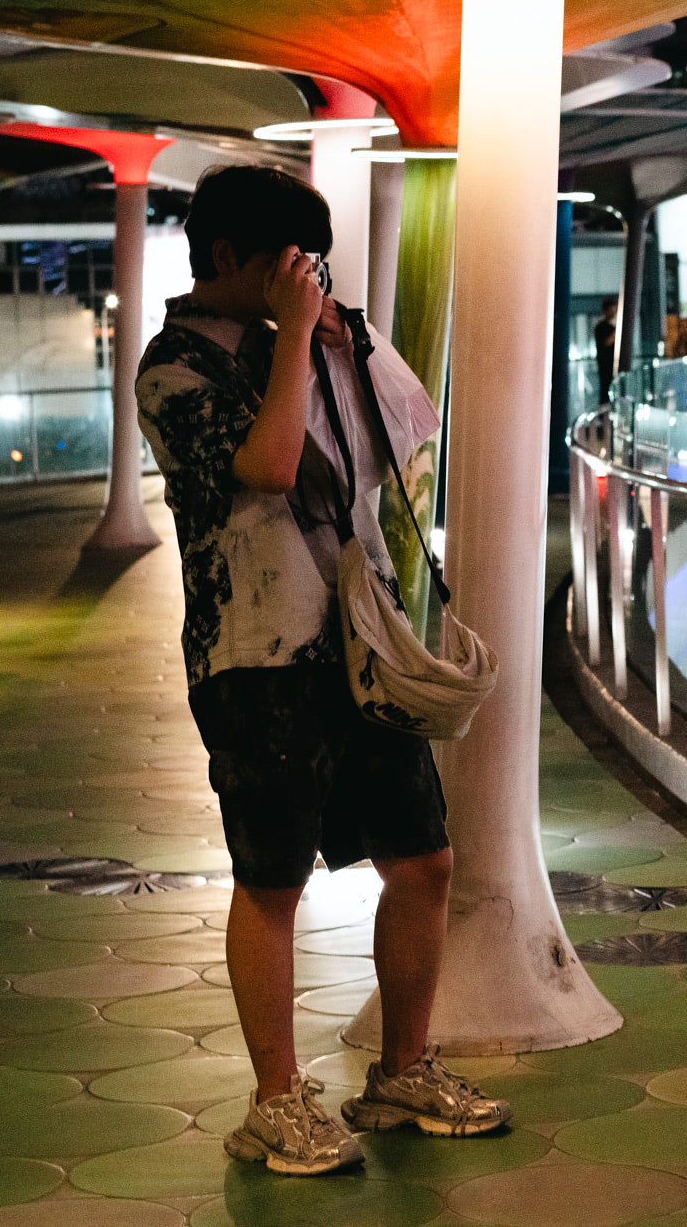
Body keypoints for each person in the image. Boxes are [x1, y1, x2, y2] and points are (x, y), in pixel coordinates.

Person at [135, 165, 511, 1178]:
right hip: (254, 658)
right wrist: (298, 343)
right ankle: (274, 1101)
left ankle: (401, 1068)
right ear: (228, 259)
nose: (305, 278)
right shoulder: (171, 368)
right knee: (271, 879)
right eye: (286, 262)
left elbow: (400, 443)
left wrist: (348, 347)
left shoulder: (307, 339)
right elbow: (263, 467)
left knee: (423, 857)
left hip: (356, 640)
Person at [591, 296, 618, 404]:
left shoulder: (612, 327)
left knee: (612, 389)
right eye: (611, 311)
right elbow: (606, 342)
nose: (614, 313)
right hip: (605, 364)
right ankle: (604, 416)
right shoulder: (601, 327)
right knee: (605, 390)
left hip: (612, 364)